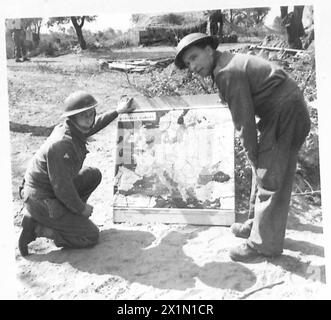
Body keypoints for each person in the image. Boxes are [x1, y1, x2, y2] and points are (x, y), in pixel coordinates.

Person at [174, 33, 311, 262]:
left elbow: (244, 123)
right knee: (264, 169)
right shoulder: (224, 63)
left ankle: (262, 246)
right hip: (282, 110)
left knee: (269, 175)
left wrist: (252, 154)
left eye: (194, 57)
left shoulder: (227, 72)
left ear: (209, 50)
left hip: (285, 112)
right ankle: (255, 225)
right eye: (188, 63)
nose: (192, 66)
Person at [18, 91, 135, 256]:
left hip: (52, 191)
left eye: (91, 114)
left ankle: (66, 218)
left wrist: (117, 111)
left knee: (92, 175)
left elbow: (93, 126)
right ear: (73, 118)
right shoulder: (61, 144)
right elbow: (62, 188)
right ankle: (39, 228)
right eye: (83, 116)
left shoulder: (74, 128)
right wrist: (81, 209)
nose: (89, 119)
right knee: (90, 236)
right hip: (42, 199)